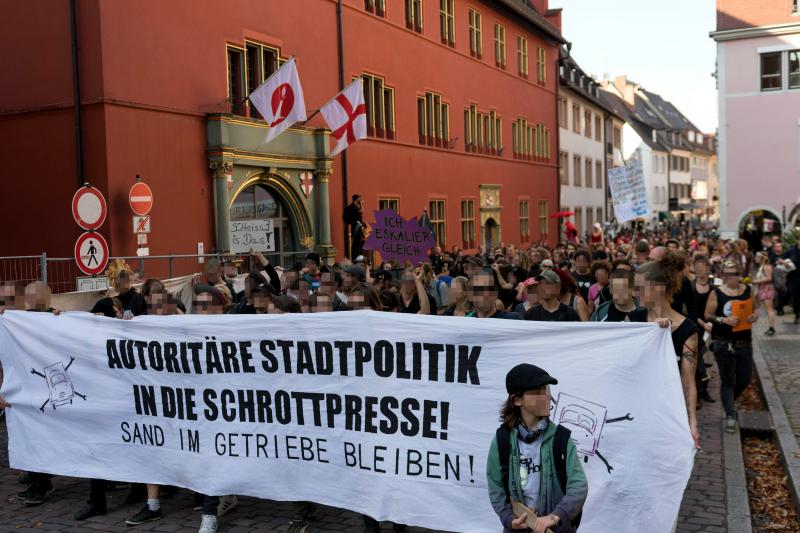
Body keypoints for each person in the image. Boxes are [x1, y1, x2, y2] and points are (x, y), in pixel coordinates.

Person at [486, 363, 588, 533]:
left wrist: (555, 516)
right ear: (517, 400)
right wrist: (510, 520)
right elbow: (495, 488)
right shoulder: (502, 440)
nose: (547, 396)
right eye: (538, 392)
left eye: (547, 390)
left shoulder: (561, 438)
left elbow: (579, 486)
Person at [631, 251, 701, 448]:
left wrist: (692, 421)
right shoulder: (634, 320)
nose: (635, 294)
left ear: (658, 289)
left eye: (640, 288)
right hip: (635, 409)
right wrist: (652, 334)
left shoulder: (687, 331)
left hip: (667, 413)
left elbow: (688, 381)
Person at [705, 260, 759, 433]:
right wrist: (723, 320)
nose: (732, 277)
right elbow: (707, 314)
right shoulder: (717, 293)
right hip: (723, 342)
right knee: (728, 379)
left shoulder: (747, 290)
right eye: (728, 274)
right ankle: (730, 415)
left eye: (734, 273)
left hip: (744, 342)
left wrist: (754, 316)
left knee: (744, 377)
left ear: (739, 275)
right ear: (723, 276)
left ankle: (728, 402)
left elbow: (756, 309)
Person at [752, 251, 777, 336]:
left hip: (767, 289)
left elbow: (769, 278)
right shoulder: (762, 267)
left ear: (761, 258)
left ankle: (771, 328)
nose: (756, 258)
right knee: (768, 309)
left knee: (770, 309)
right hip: (763, 289)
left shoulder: (766, 267)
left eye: (757, 257)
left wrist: (755, 281)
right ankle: (770, 327)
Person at [343, 194, 365, 260]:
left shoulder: (357, 207)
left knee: (360, 245)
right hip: (355, 228)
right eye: (359, 200)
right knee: (356, 246)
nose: (360, 201)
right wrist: (360, 205)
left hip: (359, 228)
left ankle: (360, 258)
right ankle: (356, 259)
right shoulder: (351, 207)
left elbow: (361, 216)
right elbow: (347, 219)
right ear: (356, 200)